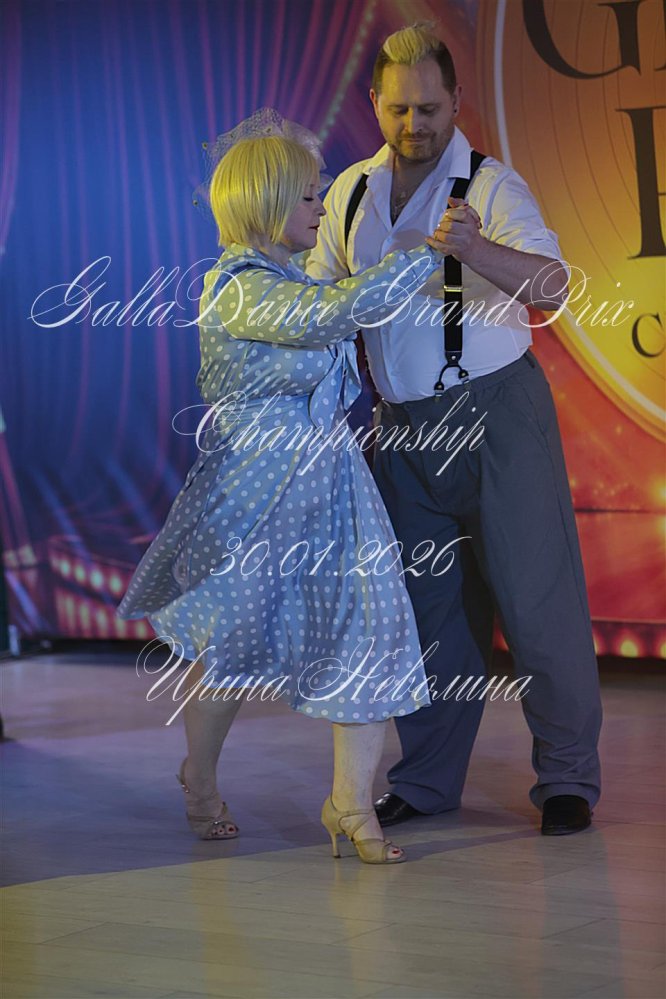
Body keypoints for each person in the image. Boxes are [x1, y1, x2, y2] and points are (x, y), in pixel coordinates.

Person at [117, 110, 458, 864]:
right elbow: (331, 315)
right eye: (309, 195)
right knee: (231, 646)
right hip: (256, 492)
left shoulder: (293, 278)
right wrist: (424, 255)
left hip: (333, 483)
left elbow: (334, 314)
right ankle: (201, 781)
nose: (321, 206)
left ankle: (351, 806)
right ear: (268, 202)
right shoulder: (237, 286)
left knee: (371, 634)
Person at [307, 23, 602, 836]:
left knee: (538, 603)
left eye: (429, 108)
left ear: (457, 101)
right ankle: (428, 781)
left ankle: (568, 779)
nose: (414, 124)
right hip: (401, 430)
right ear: (375, 102)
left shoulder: (491, 184)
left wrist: (480, 249)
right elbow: (318, 301)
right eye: (399, 108)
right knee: (428, 614)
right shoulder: (350, 193)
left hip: (498, 415)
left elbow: (555, 286)